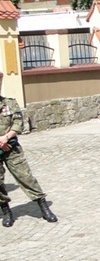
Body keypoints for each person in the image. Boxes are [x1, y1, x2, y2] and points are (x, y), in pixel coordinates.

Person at [0, 71, 57, 227]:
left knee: (26, 177)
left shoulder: (9, 103)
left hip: (11, 147)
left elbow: (18, 123)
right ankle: (6, 211)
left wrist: (5, 138)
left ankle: (43, 206)